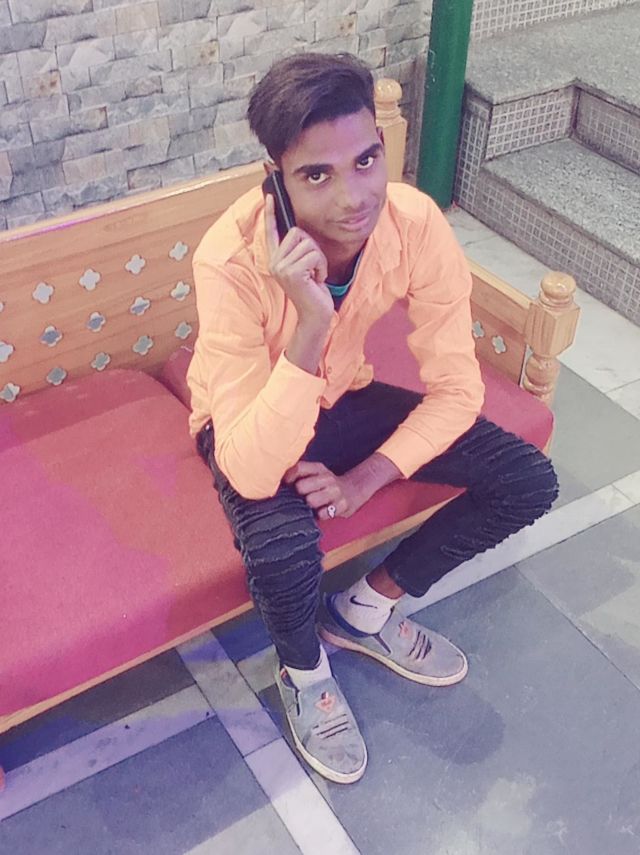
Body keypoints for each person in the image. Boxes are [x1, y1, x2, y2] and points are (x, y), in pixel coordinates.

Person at [187, 52, 558, 784]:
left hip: (344, 396)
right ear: (275, 178)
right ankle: (303, 672)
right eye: (316, 176)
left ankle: (360, 612)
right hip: (249, 419)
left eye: (366, 161)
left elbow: (457, 390)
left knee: (526, 481)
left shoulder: (413, 223)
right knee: (284, 547)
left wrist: (366, 478)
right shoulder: (229, 259)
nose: (354, 197)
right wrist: (310, 325)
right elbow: (251, 469)